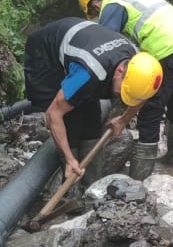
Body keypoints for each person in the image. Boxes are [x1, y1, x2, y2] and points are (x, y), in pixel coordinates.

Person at [77, 0, 173, 179]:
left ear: (95, 6)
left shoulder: (111, 6)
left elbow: (106, 45)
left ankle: (140, 178)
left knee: (150, 109)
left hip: (166, 50)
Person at [23, 18, 163, 185]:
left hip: (86, 44)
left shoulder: (140, 66)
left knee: (90, 117)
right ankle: (68, 182)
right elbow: (54, 114)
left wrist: (123, 120)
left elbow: (141, 95)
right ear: (120, 71)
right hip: (46, 54)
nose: (122, 96)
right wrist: (69, 159)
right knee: (69, 117)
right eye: (124, 90)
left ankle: (92, 184)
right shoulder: (89, 72)